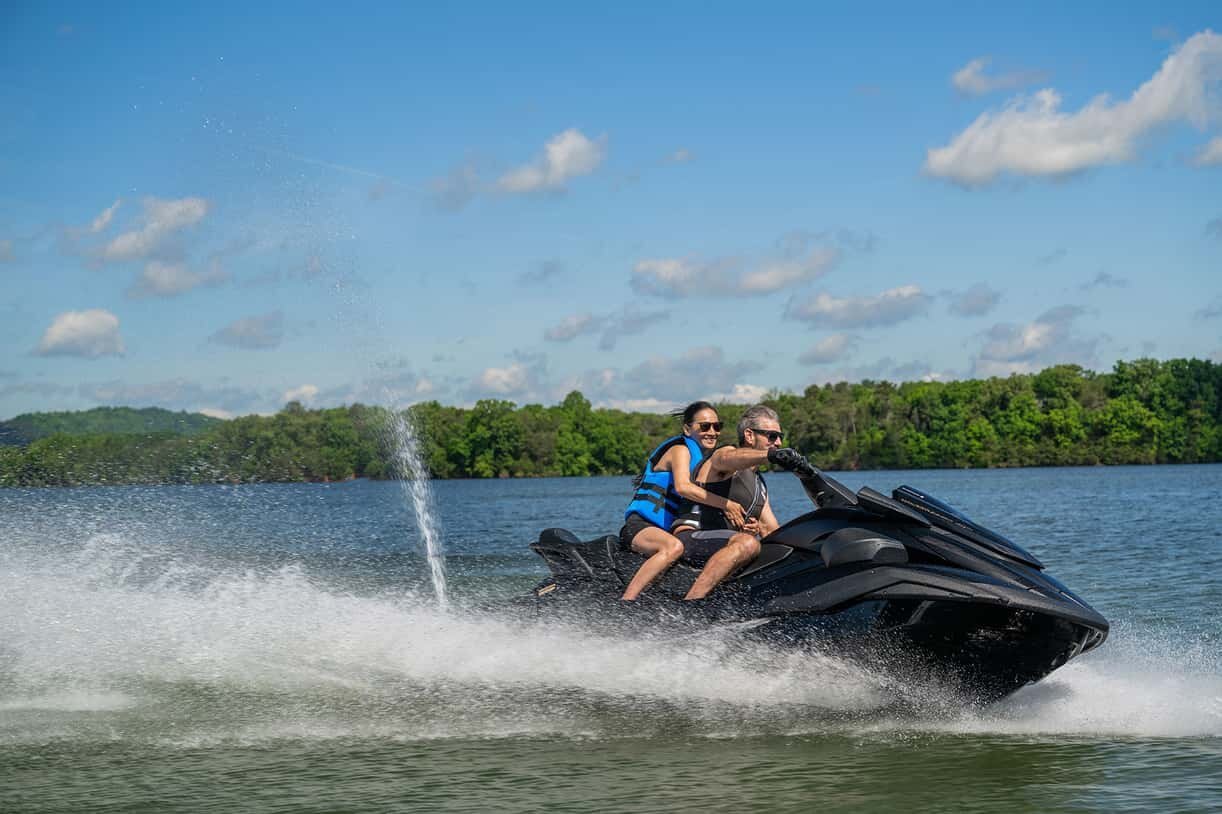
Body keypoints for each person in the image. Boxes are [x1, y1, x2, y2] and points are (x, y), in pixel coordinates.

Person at [673, 404, 809, 600]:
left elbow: (771, 531)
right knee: (748, 543)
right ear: (749, 435)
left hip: (724, 544)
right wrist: (771, 455)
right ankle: (691, 604)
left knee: (767, 546)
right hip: (690, 536)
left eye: (780, 437)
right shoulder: (725, 456)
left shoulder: (760, 485)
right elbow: (728, 458)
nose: (778, 442)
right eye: (772, 436)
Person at [619, 401, 748, 601]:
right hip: (640, 526)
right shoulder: (680, 450)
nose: (712, 432)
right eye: (704, 426)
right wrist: (727, 504)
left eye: (717, 426)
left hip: (666, 530)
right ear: (687, 429)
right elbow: (683, 487)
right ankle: (626, 602)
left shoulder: (704, 460)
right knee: (673, 547)